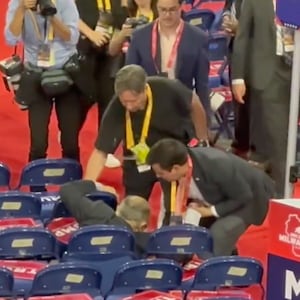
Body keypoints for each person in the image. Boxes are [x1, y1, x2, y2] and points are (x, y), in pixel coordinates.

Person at [84, 64, 208, 226]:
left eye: (133, 101)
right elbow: (101, 151)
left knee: (174, 210)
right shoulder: (117, 106)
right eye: (124, 101)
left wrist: (202, 139)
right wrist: (86, 186)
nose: (128, 106)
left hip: (170, 156)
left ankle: (167, 243)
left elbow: (194, 103)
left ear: (144, 90)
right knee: (131, 212)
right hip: (137, 161)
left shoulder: (168, 88)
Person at [146, 138, 275, 256]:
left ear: (175, 169)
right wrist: (160, 243)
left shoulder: (215, 164)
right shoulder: (167, 175)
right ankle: (228, 256)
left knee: (218, 235)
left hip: (248, 198)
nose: (157, 176)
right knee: (196, 233)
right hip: (217, 198)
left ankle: (215, 272)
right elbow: (170, 209)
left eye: (160, 173)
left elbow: (243, 196)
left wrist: (210, 211)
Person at [5, 0, 81, 191]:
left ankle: (73, 188)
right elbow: (10, 39)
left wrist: (52, 16)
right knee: (38, 142)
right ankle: (36, 188)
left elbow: (72, 38)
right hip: (36, 75)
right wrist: (22, 10)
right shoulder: (18, 2)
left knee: (70, 141)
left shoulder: (65, 2)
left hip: (65, 74)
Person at [231, 0, 293, 196]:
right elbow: (242, 37)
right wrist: (238, 77)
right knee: (279, 142)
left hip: (296, 66)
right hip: (270, 75)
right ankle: (285, 198)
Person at [125, 0, 210, 116]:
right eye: (163, 10)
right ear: (156, 8)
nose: (167, 15)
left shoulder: (198, 38)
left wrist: (205, 120)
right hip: (148, 107)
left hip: (182, 107)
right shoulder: (139, 36)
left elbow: (202, 84)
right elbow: (130, 77)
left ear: (181, 6)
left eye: (172, 10)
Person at [59, 180, 150, 257]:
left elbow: (67, 190)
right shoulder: (146, 243)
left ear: (118, 209)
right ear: (143, 226)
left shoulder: (97, 212)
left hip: (82, 267)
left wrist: (99, 186)